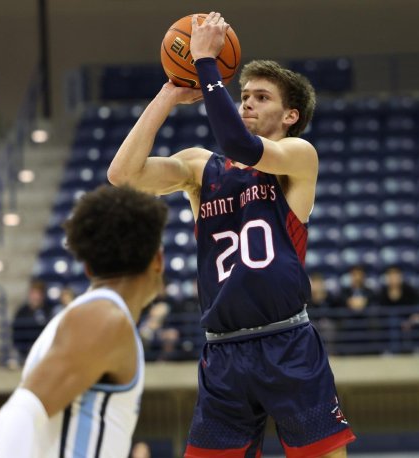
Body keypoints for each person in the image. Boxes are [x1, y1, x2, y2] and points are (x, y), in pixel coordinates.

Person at [107, 12, 355, 457]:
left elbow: (243, 145)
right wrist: (167, 93)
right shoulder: (202, 168)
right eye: (243, 96)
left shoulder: (299, 157)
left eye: (261, 97)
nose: (247, 104)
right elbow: (122, 176)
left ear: (290, 115)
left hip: (288, 343)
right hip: (223, 353)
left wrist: (205, 64)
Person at [0, 185, 168, 458]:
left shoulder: (85, 317)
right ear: (158, 260)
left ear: (88, 268)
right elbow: (16, 416)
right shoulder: (104, 319)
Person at [374, 266, 419, 353]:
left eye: (396, 276)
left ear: (400, 277)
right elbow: (378, 309)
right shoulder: (382, 292)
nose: (393, 279)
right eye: (391, 276)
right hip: (389, 322)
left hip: (409, 320)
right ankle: (387, 350)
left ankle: (416, 349)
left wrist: (415, 315)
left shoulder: (409, 290)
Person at [11, 280, 50, 360]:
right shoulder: (22, 312)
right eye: (34, 293)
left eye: (39, 294)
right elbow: (16, 334)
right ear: (30, 294)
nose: (36, 297)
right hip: (26, 352)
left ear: (43, 295)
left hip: (45, 352)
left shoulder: (49, 311)